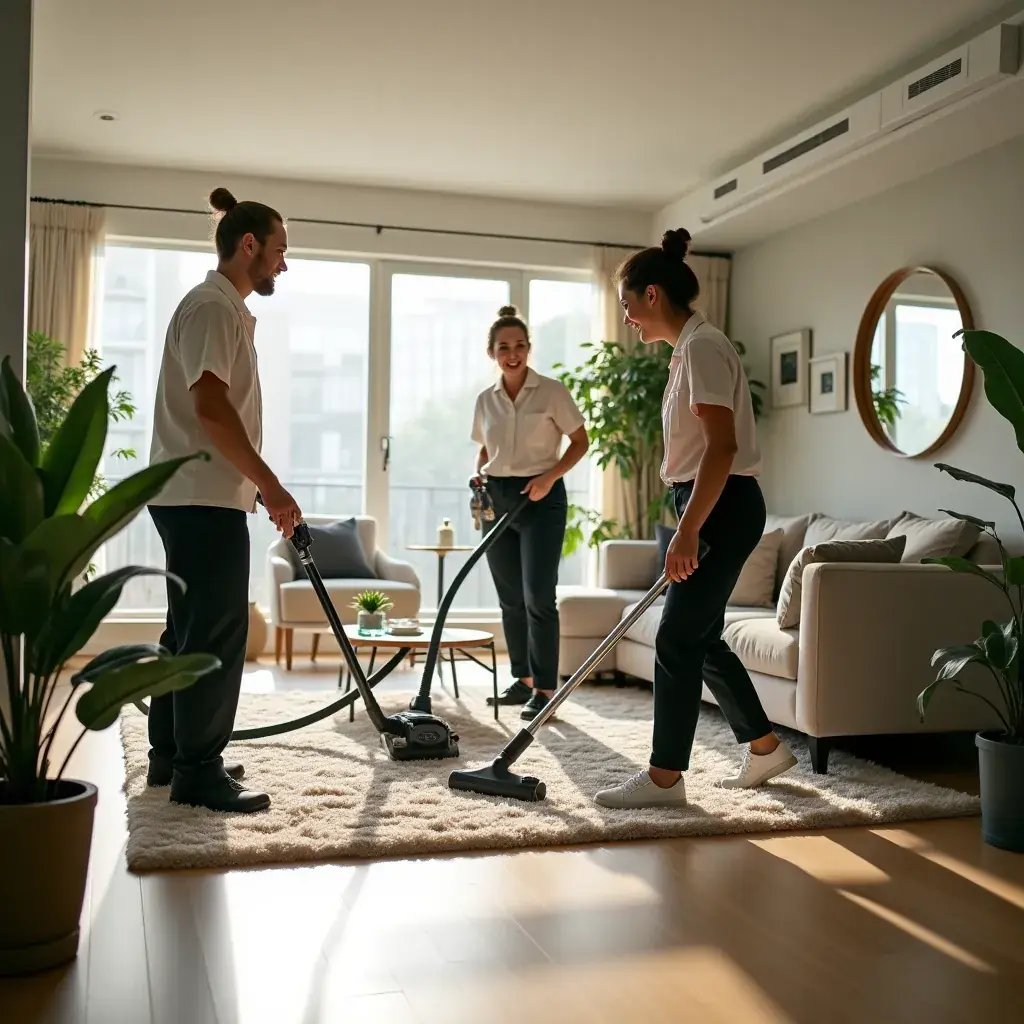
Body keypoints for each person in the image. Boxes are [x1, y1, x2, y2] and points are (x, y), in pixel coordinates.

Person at [594, 229, 797, 809]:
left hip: (722, 504)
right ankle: (764, 747)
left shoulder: (704, 347)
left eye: (629, 304)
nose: (628, 317)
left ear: (652, 294)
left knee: (676, 639)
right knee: (702, 637)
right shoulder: (688, 349)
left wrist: (688, 529)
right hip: (711, 502)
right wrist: (686, 518)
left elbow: (722, 448)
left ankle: (664, 779)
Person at [145, 187, 302, 814]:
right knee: (214, 633)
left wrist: (254, 481)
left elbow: (218, 410)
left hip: (197, 493)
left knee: (186, 631)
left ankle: (171, 755)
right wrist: (269, 482)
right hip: (201, 498)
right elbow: (211, 408)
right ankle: (198, 771)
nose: (284, 265)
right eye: (280, 251)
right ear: (249, 246)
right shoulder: (212, 308)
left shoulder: (222, 308)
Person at [471, 305, 590, 721]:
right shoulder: (486, 400)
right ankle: (521, 681)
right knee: (510, 599)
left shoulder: (553, 391)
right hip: (496, 498)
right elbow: (484, 449)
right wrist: (478, 479)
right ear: (492, 352)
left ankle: (546, 690)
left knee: (539, 597)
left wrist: (550, 477)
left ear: (528, 349)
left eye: (520, 345)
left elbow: (580, 441)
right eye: (504, 347)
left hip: (541, 497)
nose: (513, 353)